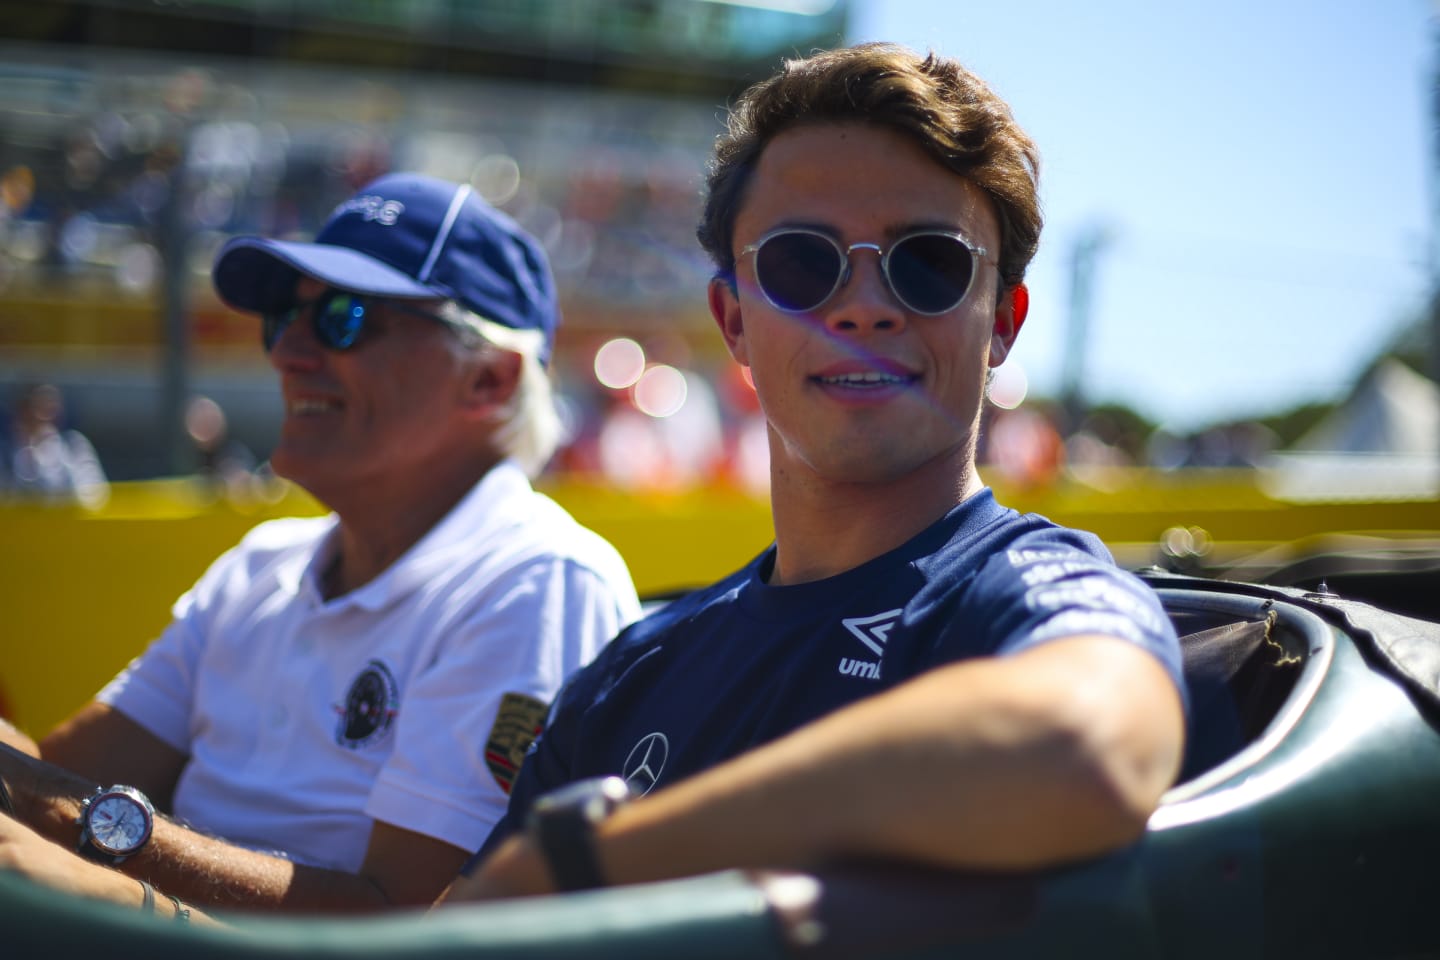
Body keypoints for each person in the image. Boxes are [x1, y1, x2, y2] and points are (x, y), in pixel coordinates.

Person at [443, 43, 1187, 903]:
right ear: (733, 321)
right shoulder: (627, 676)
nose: (864, 305)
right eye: (803, 262)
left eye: (928, 263)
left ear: (1003, 326)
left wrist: (598, 862)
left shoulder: (1033, 591)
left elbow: (1085, 746)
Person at [0, 172, 642, 918]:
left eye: (344, 317)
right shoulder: (262, 565)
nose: (287, 353)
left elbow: (406, 917)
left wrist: (103, 852)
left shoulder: (536, 579)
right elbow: (53, 777)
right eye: (283, 319)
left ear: (491, 380)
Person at [0, 382, 109, 507]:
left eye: (50, 408)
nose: (41, 417)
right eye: (33, 408)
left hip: (64, 525)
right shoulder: (4, 450)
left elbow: (94, 496)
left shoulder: (73, 444)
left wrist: (54, 460)